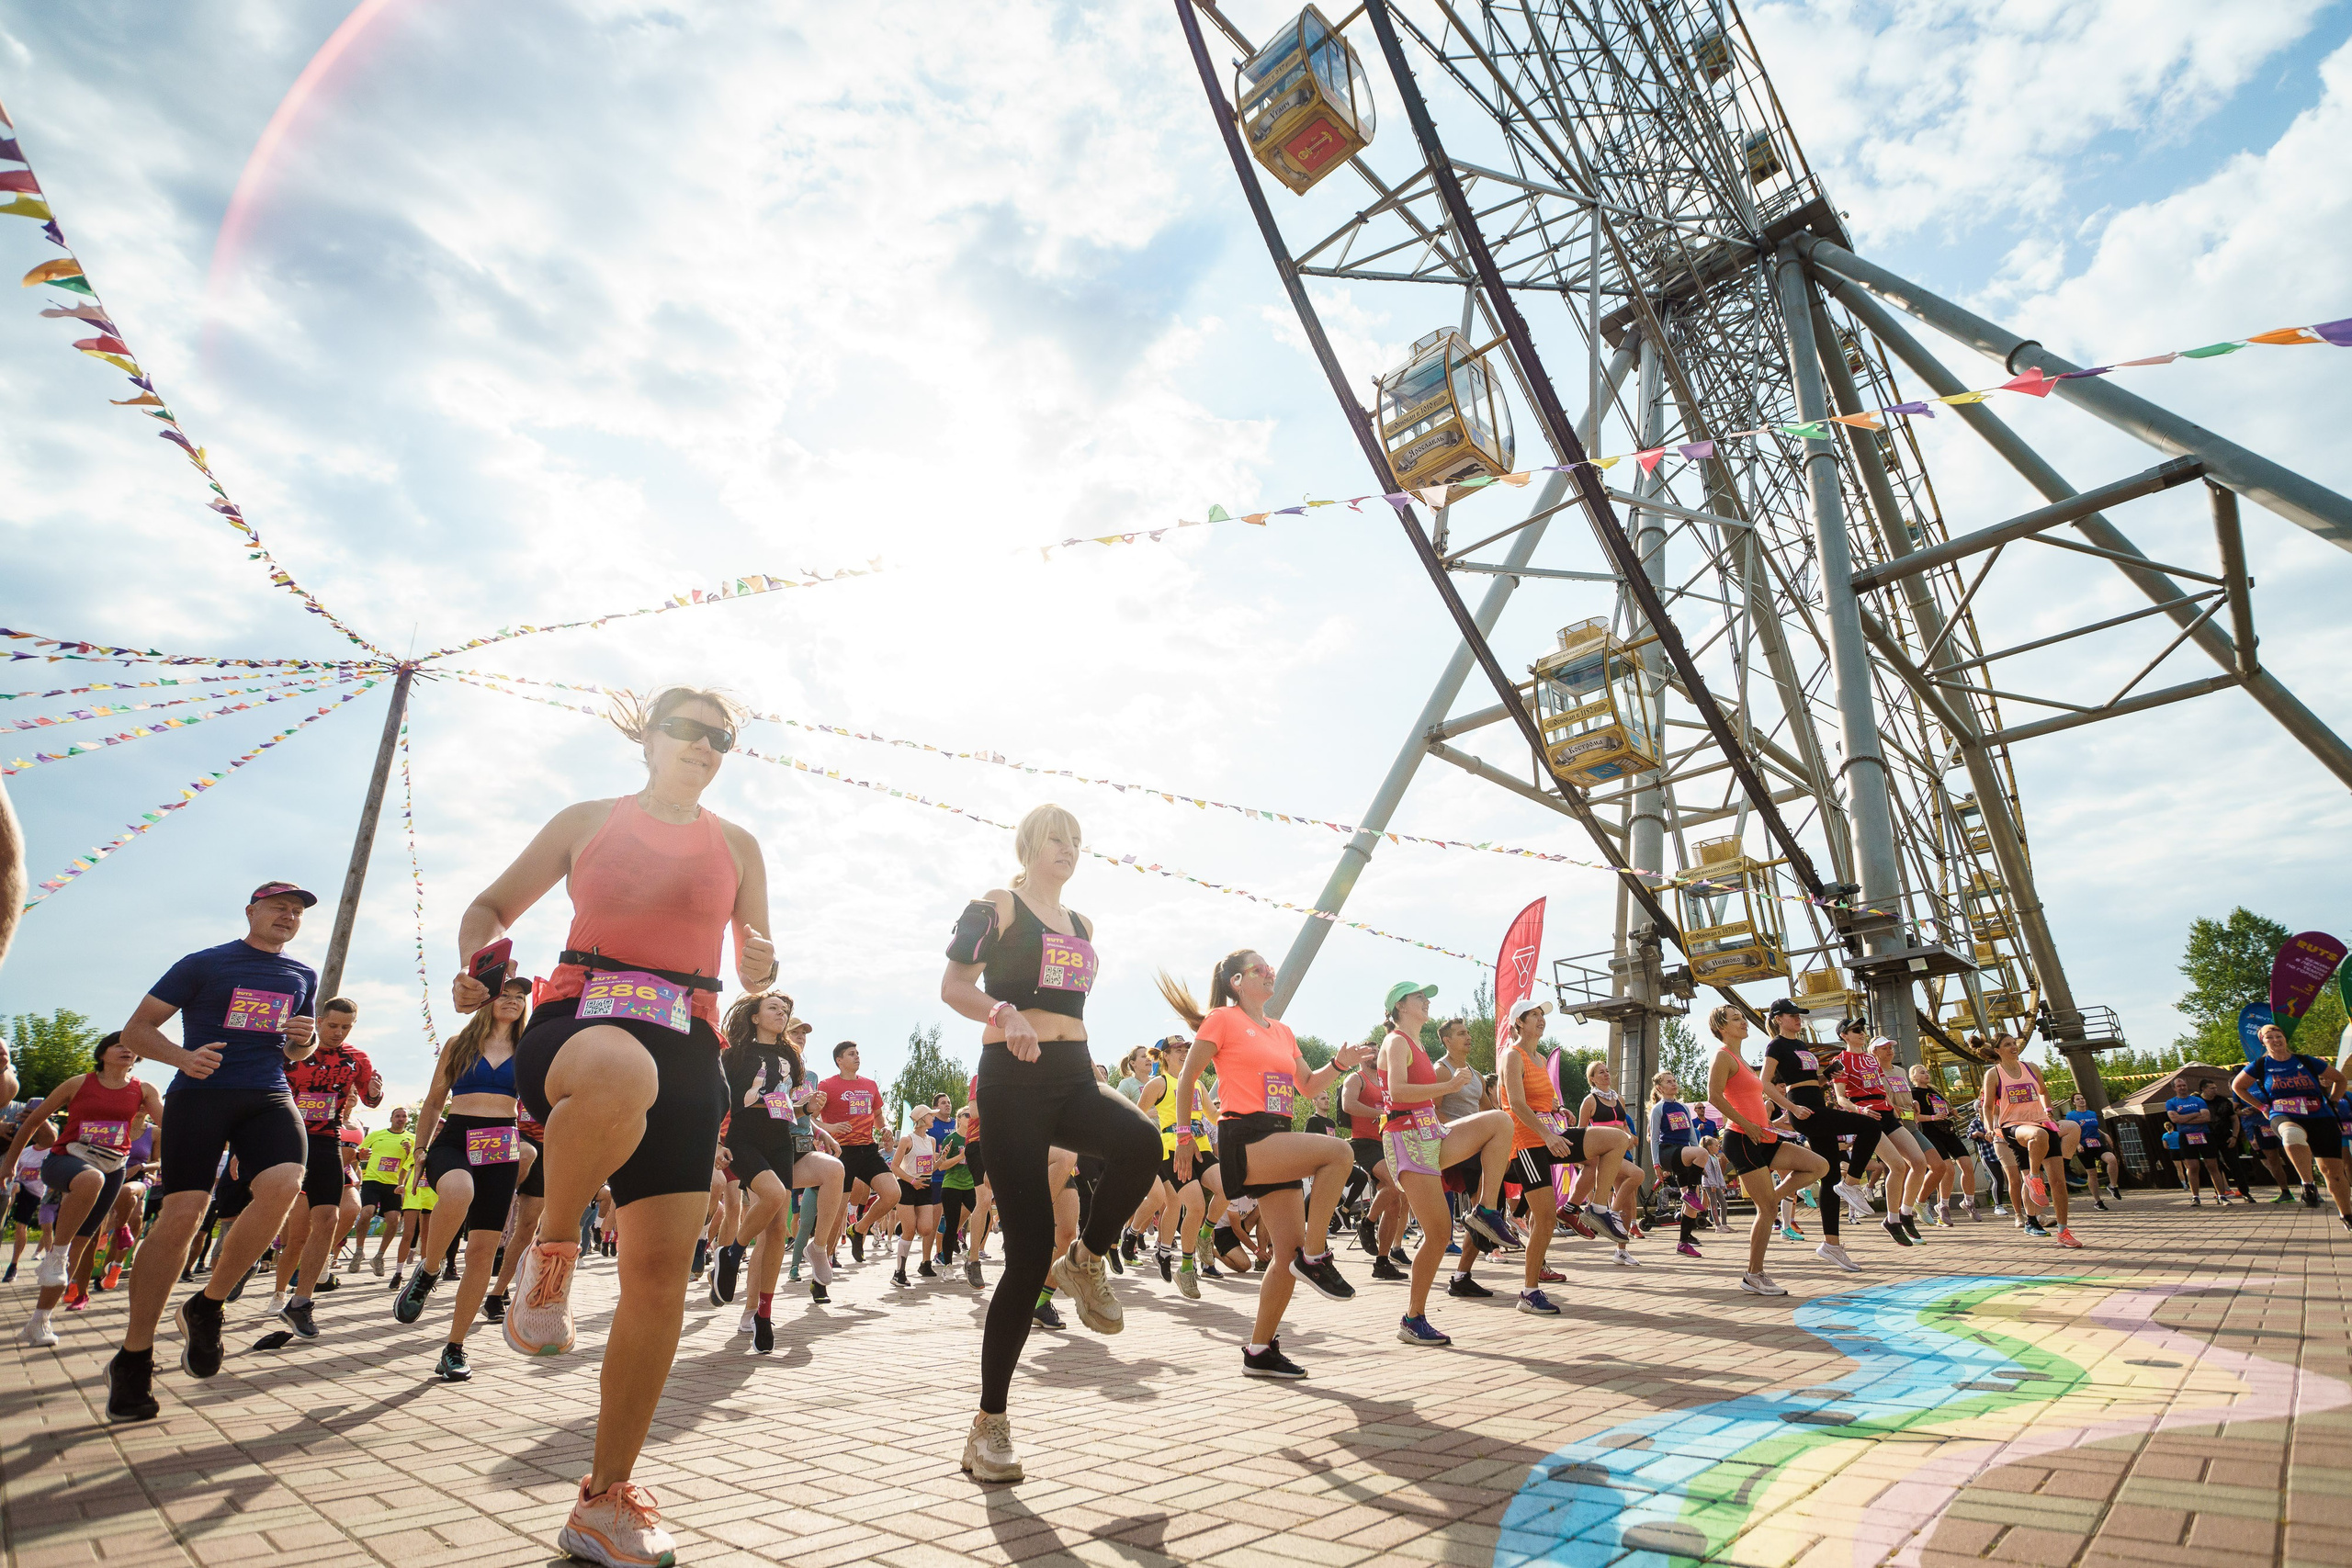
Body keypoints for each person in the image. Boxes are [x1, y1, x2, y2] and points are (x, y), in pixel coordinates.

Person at [452, 685, 775, 1566]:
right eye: (692, 730)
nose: (707, 746)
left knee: (662, 1274)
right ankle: (548, 1260)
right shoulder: (586, 819)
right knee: (616, 1067)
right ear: (649, 736)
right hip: (579, 1021)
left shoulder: (737, 845)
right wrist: (480, 967)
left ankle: (602, 1499)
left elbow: (759, 953)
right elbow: (489, 909)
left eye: (723, 738)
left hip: (687, 1046)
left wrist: (758, 958)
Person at [939, 804, 1159, 1483]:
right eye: (1056, 838)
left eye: (1076, 839)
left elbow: (1070, 1008)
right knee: (1027, 1251)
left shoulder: (1084, 924)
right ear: (1030, 844)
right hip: (1012, 1080)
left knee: (1142, 1142)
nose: (1068, 848)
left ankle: (1087, 1259)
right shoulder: (997, 905)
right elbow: (953, 986)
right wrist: (1003, 1014)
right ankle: (990, 1424)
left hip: (1071, 1073)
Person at [108, 880, 322, 1423]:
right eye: (279, 907)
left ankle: (208, 1306)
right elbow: (136, 1030)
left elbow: (299, 1045)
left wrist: (305, 1038)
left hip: (269, 1093)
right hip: (200, 1094)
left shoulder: (302, 975)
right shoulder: (202, 963)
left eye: (296, 911)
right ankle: (133, 1357)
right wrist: (182, 1058)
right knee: (183, 1215)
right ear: (251, 911)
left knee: (284, 1185)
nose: (288, 915)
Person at [1159, 951, 1371, 1377]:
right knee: (1340, 1152)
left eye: (1269, 965)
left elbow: (1309, 1086)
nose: (1270, 970)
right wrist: (1185, 1136)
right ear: (1237, 980)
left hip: (1279, 1136)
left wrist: (1339, 1064)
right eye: (1260, 967)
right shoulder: (1222, 1018)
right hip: (1247, 1137)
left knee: (1284, 1256)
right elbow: (1188, 1078)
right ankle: (1317, 1254)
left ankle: (1259, 1350)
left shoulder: (1283, 1031)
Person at [1374, 982, 1522, 1348]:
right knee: (1439, 1235)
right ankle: (1413, 1318)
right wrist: (1448, 1086)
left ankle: (1486, 1210)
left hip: (1431, 1134)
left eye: (1427, 997)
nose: (1426, 1002)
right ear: (1400, 1006)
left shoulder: (1419, 1044)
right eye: (1419, 997)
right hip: (1407, 1139)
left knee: (1500, 1122)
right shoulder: (1395, 1041)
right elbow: (1397, 1092)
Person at [396, 977, 527, 1381]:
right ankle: (430, 1270)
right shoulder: (459, 1044)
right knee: (458, 1190)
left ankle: (454, 1347)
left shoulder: (529, 1051)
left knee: (483, 1252)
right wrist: (419, 1152)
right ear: (487, 1000)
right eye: (505, 994)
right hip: (456, 1138)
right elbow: (435, 1100)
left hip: (501, 1145)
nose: (512, 1001)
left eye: (520, 997)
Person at [2, 1032, 162, 1346]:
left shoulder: (143, 1089)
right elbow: (34, 1121)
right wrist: (10, 1162)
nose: (126, 1049)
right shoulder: (78, 1083)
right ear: (102, 1053)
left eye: (132, 1046)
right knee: (90, 1183)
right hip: (67, 1159)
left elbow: (167, 1121)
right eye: (119, 1045)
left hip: (113, 1166)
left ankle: (39, 1321)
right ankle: (55, 1255)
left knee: (81, 1245)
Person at [720, 991, 843, 1339]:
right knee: (771, 1203)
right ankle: (731, 1255)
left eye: (785, 1010)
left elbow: (784, 1108)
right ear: (755, 1017)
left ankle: (762, 1312)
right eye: (773, 1008)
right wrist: (716, 1140)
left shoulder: (791, 1058)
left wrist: (807, 1110)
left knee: (776, 1232)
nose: (781, 1013)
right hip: (745, 1142)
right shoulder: (737, 1053)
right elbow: (722, 1098)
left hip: (781, 1144)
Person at [1494, 998, 1629, 1313]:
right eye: (1534, 1016)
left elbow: (1539, 1100)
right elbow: (1515, 1104)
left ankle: (1596, 1208)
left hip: (1549, 1134)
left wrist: (1557, 1110)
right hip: (1527, 1144)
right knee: (1544, 1219)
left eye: (1542, 1015)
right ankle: (1528, 1293)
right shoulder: (1512, 1056)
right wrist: (1546, 1134)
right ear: (1519, 1023)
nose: (1541, 1020)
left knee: (1616, 1140)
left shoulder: (1540, 1058)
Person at [270, 997, 383, 1332]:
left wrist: (376, 1091)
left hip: (325, 1138)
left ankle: (301, 1302)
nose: (337, 1032)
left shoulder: (356, 1059)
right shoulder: (291, 1051)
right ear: (319, 1021)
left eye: (345, 1027)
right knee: (274, 1214)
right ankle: (234, 1272)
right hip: (283, 1135)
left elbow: (370, 1100)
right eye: (332, 1025)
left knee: (329, 1217)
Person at [1704, 1005, 1830, 1295]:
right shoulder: (1722, 1056)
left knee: (1818, 1166)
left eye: (1743, 1018)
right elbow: (1713, 1096)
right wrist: (1746, 1124)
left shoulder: (1743, 1061)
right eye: (1737, 1019)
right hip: (1741, 1139)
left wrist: (1776, 1121)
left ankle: (1772, 1200)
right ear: (1722, 1026)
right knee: (1767, 1209)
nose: (1744, 1022)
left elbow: (1748, 1101)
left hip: (1764, 1136)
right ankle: (1754, 1274)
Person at [1754, 999, 1879, 1272]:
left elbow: (1812, 1082)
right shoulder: (1776, 1045)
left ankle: (1831, 1245)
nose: (1798, 1019)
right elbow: (1764, 1082)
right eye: (1792, 1015)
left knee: (1831, 1177)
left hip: (1817, 1105)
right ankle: (1853, 1183)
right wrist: (1791, 1108)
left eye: (1799, 1015)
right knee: (1869, 1126)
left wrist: (1826, 1076)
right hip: (1805, 1111)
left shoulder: (1801, 1045)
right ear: (1778, 1018)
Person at [2233, 1024, 2352, 1227]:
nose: (2276, 1040)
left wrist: (2332, 1101)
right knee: (2291, 1135)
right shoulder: (2260, 1065)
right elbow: (2238, 1086)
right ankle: (2308, 1185)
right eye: (2270, 1037)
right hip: (2283, 1113)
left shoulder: (2305, 1061)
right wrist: (2262, 1107)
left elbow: (2340, 1079)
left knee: (2334, 1173)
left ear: (2285, 1039)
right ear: (2263, 1042)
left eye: (2279, 1035)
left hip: (2320, 1115)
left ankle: (2347, 1216)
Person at [1829, 1023, 1927, 1247]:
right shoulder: (1840, 1061)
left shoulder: (1872, 1060)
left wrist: (1894, 1107)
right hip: (1866, 1116)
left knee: (1919, 1162)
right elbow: (1841, 1098)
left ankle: (1905, 1213)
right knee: (1896, 1166)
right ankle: (1892, 1220)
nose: (1861, 1033)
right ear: (1844, 1035)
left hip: (1887, 1114)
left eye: (1862, 1029)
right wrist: (1861, 1111)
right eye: (1855, 1031)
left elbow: (1882, 1088)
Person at [1980, 1035, 2082, 1247]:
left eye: (2014, 1043)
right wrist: (1989, 1127)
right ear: (1997, 1050)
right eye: (2007, 1044)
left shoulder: (2032, 1068)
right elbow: (1987, 1105)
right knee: (2038, 1135)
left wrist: (2048, 1110)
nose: (2013, 1047)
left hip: (2041, 1122)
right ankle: (2034, 1178)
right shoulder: (1994, 1074)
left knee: (2058, 1183)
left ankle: (2063, 1232)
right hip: (2013, 1127)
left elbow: (2044, 1092)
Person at [815, 1042, 898, 1259]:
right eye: (851, 1054)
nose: (857, 1057)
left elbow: (879, 1117)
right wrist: (831, 1128)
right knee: (838, 1212)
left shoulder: (870, 1085)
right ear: (839, 1061)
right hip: (840, 1153)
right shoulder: (826, 1085)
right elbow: (810, 1119)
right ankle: (826, 1261)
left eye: (858, 1053)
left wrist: (885, 1128)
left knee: (893, 1194)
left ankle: (859, 1229)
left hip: (868, 1150)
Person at [1339, 1052, 1407, 1280]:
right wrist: (1381, 1113)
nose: (1375, 1054)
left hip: (1387, 1141)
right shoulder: (1355, 1079)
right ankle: (1366, 1223)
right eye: (1369, 1051)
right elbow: (1348, 1105)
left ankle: (1382, 1262)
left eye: (1377, 1050)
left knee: (1395, 1202)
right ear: (1361, 1058)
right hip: (1364, 1143)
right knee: (1394, 1185)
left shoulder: (1385, 1080)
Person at [1577, 1060, 1645, 1262]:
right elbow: (1582, 1132)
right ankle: (1606, 1213)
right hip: (1603, 1154)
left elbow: (1624, 1124)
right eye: (1601, 1072)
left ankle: (1621, 1250)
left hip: (1621, 1151)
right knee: (1638, 1174)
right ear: (1592, 1079)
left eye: (1607, 1071)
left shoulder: (1618, 1099)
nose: (1606, 1075)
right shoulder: (1589, 1101)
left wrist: (1629, 1136)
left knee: (1625, 1202)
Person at [1645, 1069, 1714, 1258]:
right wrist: (1656, 1164)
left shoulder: (1683, 1107)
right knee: (1701, 1152)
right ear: (1659, 1088)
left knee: (1692, 1203)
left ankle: (1684, 1242)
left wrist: (1699, 1162)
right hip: (1668, 1152)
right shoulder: (1659, 1109)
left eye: (1674, 1080)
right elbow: (1655, 1140)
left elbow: (1692, 1136)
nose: (1674, 1084)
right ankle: (1690, 1193)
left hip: (1685, 1153)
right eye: (1668, 1082)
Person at [349, 1109, 413, 1273]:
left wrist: (409, 1152)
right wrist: (360, 1159)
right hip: (372, 1180)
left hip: (394, 1185)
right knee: (366, 1213)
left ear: (407, 1120)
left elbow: (414, 1162)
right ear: (391, 1118)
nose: (400, 1118)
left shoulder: (412, 1139)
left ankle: (379, 1256)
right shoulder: (377, 1135)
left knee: (393, 1220)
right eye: (397, 1116)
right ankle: (359, 1251)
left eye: (404, 1116)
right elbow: (357, 1153)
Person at [2062, 1094, 2120, 1211]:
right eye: (2078, 1099)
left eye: (2082, 1098)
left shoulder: (2092, 1114)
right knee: (2092, 1174)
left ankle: (2112, 1186)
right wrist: (2077, 1144)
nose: (2081, 1100)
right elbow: (2071, 1130)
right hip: (2083, 1146)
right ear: (2074, 1103)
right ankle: (2098, 1201)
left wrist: (2105, 1135)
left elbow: (2094, 1127)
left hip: (2096, 1143)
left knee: (2112, 1159)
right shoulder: (2071, 1115)